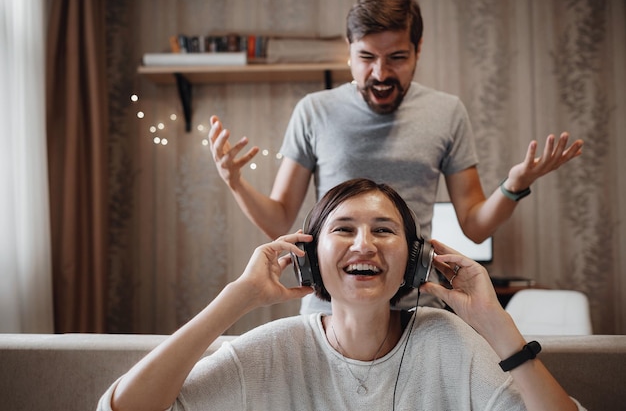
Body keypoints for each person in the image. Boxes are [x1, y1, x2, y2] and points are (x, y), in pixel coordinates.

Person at [209, 0, 584, 314]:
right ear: (349, 49)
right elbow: (280, 222)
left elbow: (475, 224)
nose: (380, 73)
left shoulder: (447, 112)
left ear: (418, 49)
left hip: (418, 305)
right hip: (329, 308)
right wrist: (236, 182)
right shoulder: (314, 110)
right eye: (366, 57)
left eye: (397, 58)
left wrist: (514, 186)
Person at [98, 178, 585, 411]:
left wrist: (495, 323)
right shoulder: (272, 350)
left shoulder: (448, 343)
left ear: (415, 261)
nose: (364, 244)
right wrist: (237, 298)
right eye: (344, 229)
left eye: (384, 230)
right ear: (310, 259)